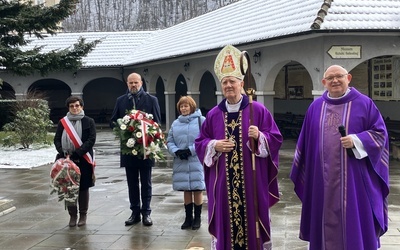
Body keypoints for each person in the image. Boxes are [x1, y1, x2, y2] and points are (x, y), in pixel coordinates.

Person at [290, 65, 389, 249]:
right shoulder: (315, 107)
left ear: (349, 78)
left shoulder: (364, 104)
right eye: (331, 78)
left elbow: (380, 135)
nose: (335, 80)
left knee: (354, 226)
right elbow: (305, 143)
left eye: (339, 76)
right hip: (322, 181)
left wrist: (358, 140)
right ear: (324, 82)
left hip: (355, 182)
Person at [195, 45, 283, 250]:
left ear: (241, 84)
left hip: (252, 181)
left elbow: (276, 138)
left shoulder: (257, 110)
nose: (228, 86)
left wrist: (260, 137)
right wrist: (214, 145)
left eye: (232, 81)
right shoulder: (214, 115)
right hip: (224, 185)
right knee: (226, 220)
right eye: (224, 82)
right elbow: (200, 142)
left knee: (253, 220)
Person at [110, 72, 161, 226]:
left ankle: (146, 213)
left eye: (136, 82)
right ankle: (134, 212)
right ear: (127, 83)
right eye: (130, 82)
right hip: (128, 149)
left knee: (146, 182)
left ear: (141, 82)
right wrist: (123, 127)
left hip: (145, 149)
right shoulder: (121, 101)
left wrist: (147, 131)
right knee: (132, 182)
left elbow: (157, 123)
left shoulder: (152, 100)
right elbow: (112, 121)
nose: (133, 85)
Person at [54, 96, 96, 227]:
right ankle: (73, 215)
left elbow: (91, 139)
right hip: (66, 160)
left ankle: (83, 215)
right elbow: (57, 139)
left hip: (83, 159)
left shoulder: (89, 121)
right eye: (72, 106)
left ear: (82, 106)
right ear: (68, 108)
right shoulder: (63, 122)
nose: (74, 108)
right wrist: (63, 152)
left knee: (83, 187)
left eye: (77, 105)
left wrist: (77, 152)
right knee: (68, 188)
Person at [167, 96, 206, 230]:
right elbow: (169, 141)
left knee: (197, 188)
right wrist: (176, 151)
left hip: (196, 159)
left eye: (186, 106)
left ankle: (198, 218)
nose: (184, 108)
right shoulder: (175, 123)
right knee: (186, 189)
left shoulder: (201, 121)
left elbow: (205, 139)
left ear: (192, 107)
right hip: (181, 160)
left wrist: (190, 151)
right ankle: (188, 217)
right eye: (181, 106)